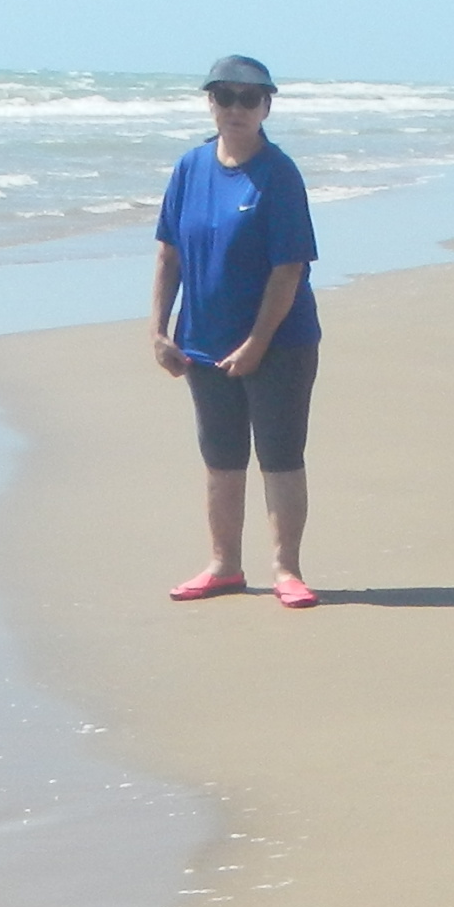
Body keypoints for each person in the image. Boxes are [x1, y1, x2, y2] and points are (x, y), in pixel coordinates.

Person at [150, 58, 324, 606]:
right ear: (210, 102)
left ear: (267, 106)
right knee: (221, 457)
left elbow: (289, 269)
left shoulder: (278, 174)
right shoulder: (190, 167)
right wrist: (158, 330)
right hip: (203, 341)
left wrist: (255, 345)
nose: (235, 108)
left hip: (280, 342)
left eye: (249, 99)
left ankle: (286, 571)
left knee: (280, 455)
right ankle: (224, 565)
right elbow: (168, 253)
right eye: (224, 96)